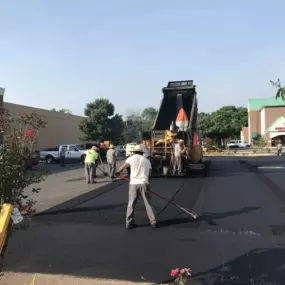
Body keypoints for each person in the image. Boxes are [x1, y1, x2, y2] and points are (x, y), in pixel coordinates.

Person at [115, 144, 156, 229]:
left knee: (131, 203)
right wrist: (148, 183)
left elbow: (122, 167)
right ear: (142, 152)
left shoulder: (130, 158)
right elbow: (150, 174)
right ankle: (153, 221)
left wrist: (118, 172)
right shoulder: (146, 160)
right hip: (144, 183)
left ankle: (128, 223)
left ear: (134, 152)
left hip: (133, 183)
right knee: (148, 203)